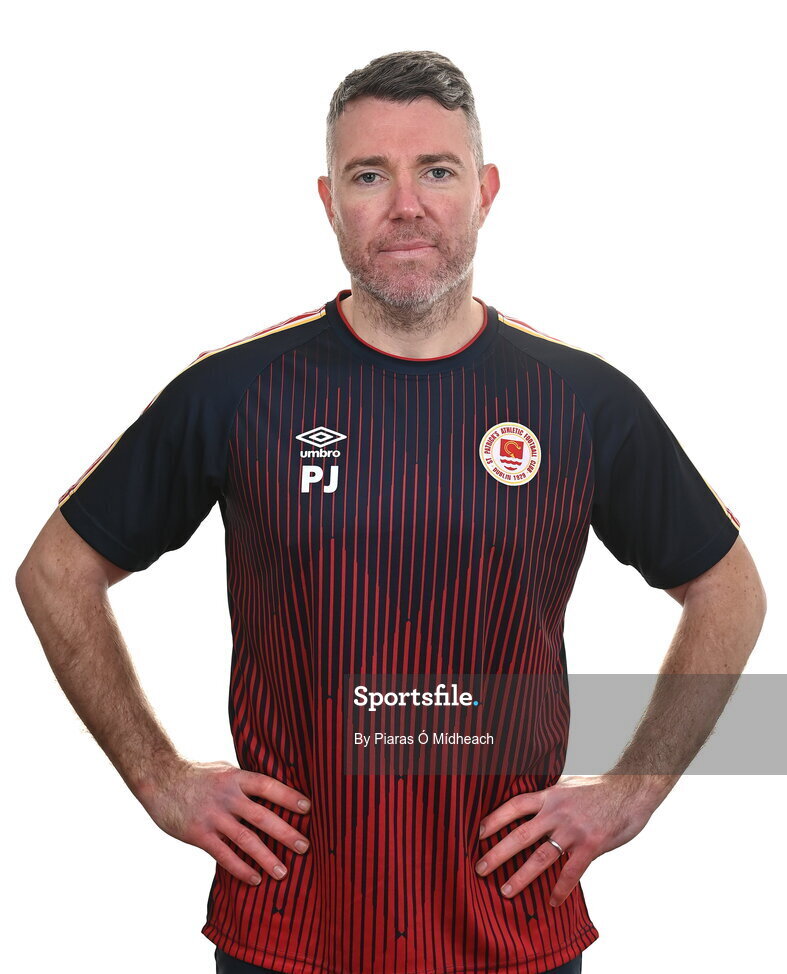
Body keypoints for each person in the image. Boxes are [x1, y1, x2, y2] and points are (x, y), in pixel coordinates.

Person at [15, 50, 766, 974]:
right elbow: (55, 571)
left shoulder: (582, 401)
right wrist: (157, 777)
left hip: (513, 922)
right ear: (329, 200)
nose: (405, 204)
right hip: (289, 926)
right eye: (369, 175)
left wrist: (634, 791)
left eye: (436, 171)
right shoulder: (236, 392)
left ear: (485, 191)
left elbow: (729, 589)